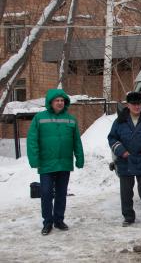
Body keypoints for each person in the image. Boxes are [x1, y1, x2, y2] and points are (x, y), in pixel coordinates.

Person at [27, 89, 84, 236]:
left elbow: (76, 140)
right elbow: (32, 140)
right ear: (50, 102)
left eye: (62, 100)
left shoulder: (71, 119)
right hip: (46, 163)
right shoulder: (39, 118)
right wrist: (34, 158)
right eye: (57, 100)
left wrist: (80, 157)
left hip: (64, 163)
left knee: (61, 193)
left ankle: (59, 220)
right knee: (46, 193)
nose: (60, 103)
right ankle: (47, 222)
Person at [108, 91, 141, 228]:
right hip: (125, 161)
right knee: (126, 193)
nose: (137, 107)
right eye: (134, 104)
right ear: (128, 105)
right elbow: (112, 138)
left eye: (139, 104)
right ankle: (128, 217)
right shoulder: (120, 121)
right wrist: (122, 151)